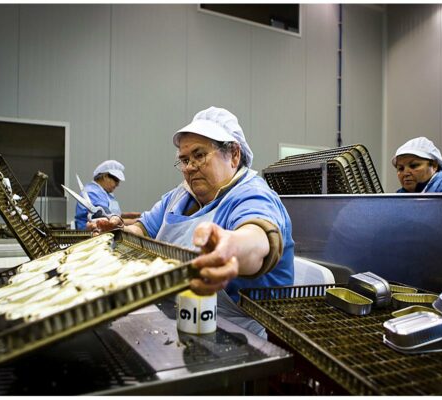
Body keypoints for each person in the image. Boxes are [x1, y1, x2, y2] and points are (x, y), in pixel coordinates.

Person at [93, 106, 294, 338]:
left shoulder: (251, 193)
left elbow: (258, 239)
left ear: (234, 155)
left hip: (236, 333)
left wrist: (230, 247)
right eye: (184, 159)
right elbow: (144, 228)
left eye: (199, 155)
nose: (189, 167)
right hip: (175, 314)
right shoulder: (180, 195)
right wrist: (120, 230)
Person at [75, 160, 140, 230]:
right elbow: (106, 218)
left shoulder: (105, 193)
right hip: (92, 235)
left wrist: (127, 215)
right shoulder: (92, 193)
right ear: (105, 176)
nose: (118, 184)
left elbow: (109, 212)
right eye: (116, 180)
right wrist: (137, 222)